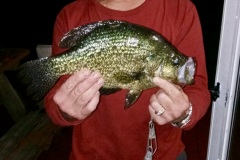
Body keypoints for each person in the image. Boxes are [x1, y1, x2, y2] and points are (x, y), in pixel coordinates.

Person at [44, 0, 211, 159]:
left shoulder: (180, 9)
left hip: (160, 154)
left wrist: (184, 114)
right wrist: (66, 112)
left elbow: (198, 87)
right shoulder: (69, 15)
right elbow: (53, 102)